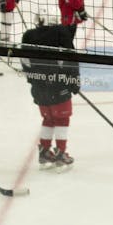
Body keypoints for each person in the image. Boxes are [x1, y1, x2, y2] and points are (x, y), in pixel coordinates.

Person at [20, 11, 81, 171]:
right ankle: (61, 153)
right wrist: (74, 81)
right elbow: (70, 59)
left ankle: (45, 152)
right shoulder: (60, 33)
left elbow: (24, 62)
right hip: (58, 87)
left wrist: (33, 78)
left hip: (39, 90)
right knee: (62, 120)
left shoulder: (27, 36)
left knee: (48, 119)